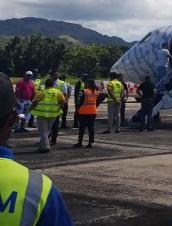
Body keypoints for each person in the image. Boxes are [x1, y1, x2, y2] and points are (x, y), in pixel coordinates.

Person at [0, 73, 74, 225]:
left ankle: (44, 144)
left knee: (43, 133)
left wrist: (30, 112)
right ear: (12, 119)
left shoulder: (41, 91)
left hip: (41, 114)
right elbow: (63, 100)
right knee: (45, 133)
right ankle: (45, 145)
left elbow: (35, 100)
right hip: (53, 114)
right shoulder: (37, 188)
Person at [72, 79, 100, 149]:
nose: (85, 84)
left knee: (82, 128)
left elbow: (79, 102)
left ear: (89, 84)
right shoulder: (96, 92)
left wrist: (77, 109)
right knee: (91, 128)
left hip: (83, 112)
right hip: (92, 112)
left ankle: (80, 142)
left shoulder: (83, 91)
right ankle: (90, 143)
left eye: (86, 83)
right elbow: (98, 100)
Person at [47, 71, 66, 145]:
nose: (57, 75)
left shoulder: (61, 83)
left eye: (58, 74)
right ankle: (46, 139)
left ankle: (53, 140)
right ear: (51, 75)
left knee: (55, 124)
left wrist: (62, 103)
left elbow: (64, 93)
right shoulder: (48, 81)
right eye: (55, 74)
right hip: (48, 106)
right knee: (48, 125)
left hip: (57, 106)